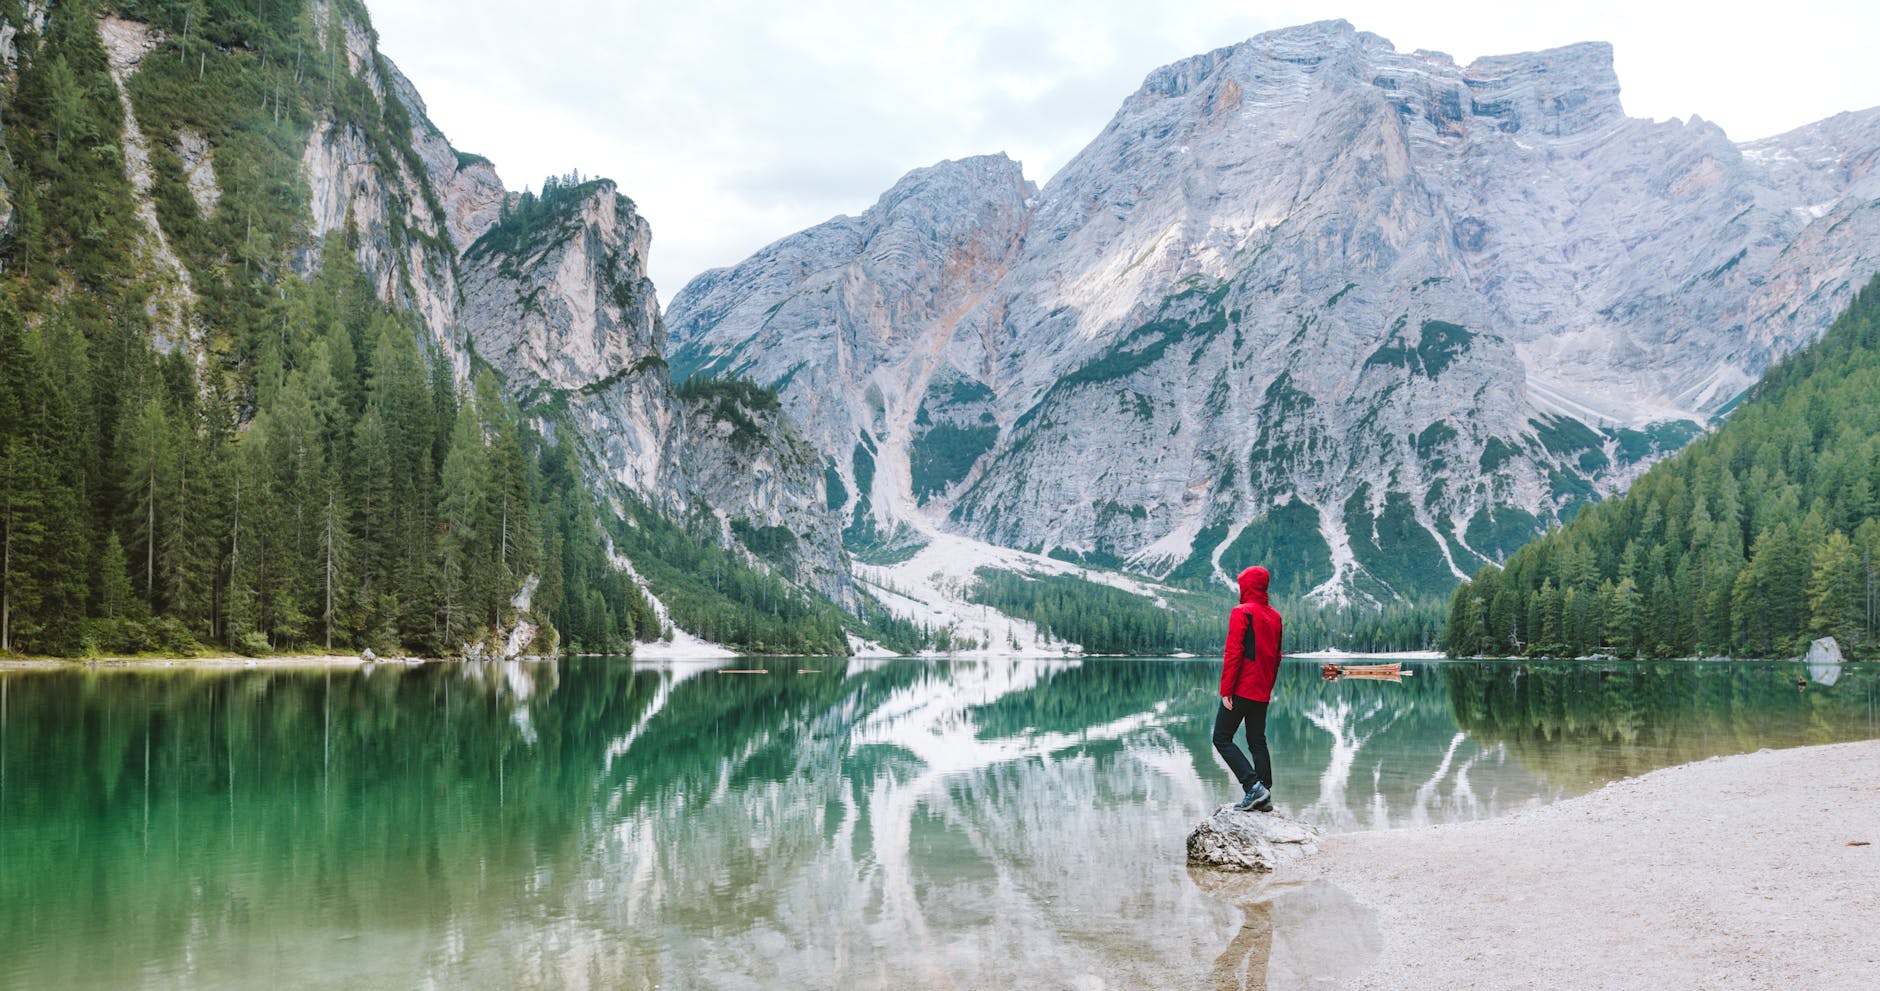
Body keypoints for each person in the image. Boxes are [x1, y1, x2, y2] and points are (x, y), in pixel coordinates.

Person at [1214, 565, 1282, 812]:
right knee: (1257, 740)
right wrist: (1268, 687)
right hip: (1262, 689)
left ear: (1247, 586)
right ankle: (1265, 793)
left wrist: (1226, 690)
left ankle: (1253, 787)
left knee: (1221, 737)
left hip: (1242, 687)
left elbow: (1234, 653)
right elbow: (1277, 657)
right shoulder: (1275, 616)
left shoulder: (1241, 612)